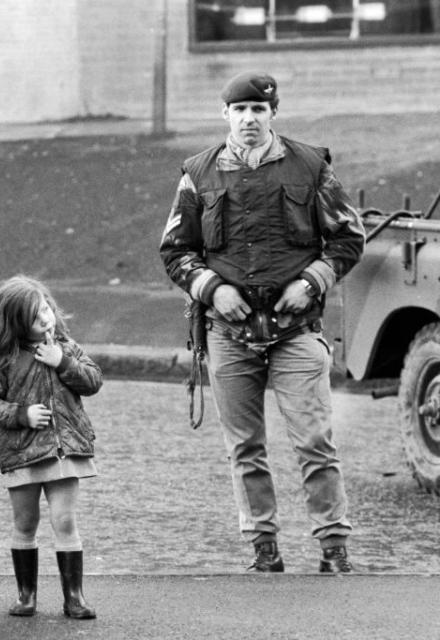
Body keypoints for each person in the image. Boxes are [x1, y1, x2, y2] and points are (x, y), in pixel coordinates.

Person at [159, 71, 365, 573]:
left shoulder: (311, 166)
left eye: (258, 109)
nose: (249, 118)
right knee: (245, 448)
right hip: (228, 333)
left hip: (296, 330)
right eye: (240, 109)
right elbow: (175, 251)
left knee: (315, 441)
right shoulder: (198, 173)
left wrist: (313, 281)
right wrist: (213, 289)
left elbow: (348, 238)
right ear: (224, 114)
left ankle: (334, 549)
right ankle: (264, 549)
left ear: (274, 113)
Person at [0, 275, 101, 619]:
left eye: (45, 308)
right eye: (34, 316)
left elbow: (93, 381)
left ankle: (73, 597)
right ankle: (26, 595)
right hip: (22, 453)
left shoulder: (66, 346)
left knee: (65, 519)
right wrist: (21, 414)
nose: (45, 318)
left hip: (64, 450)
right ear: (16, 324)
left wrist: (61, 361)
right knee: (25, 521)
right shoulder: (3, 360)